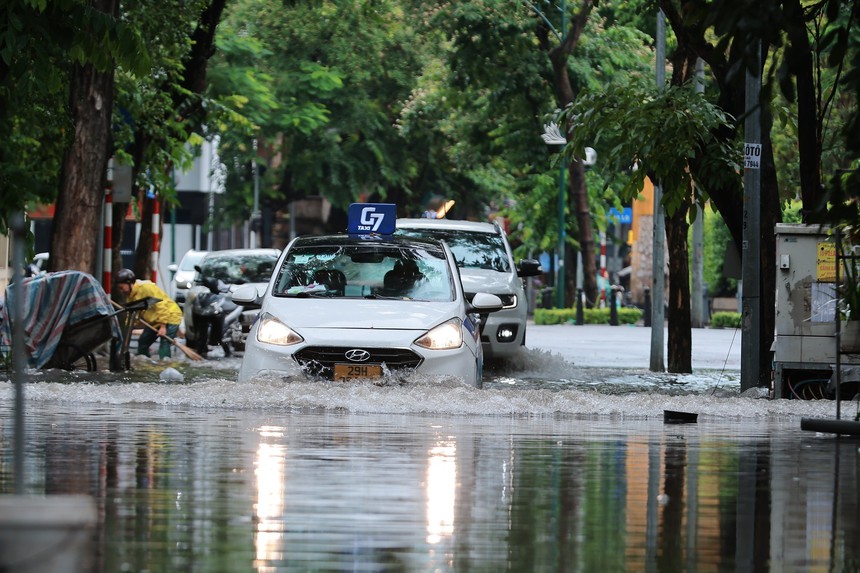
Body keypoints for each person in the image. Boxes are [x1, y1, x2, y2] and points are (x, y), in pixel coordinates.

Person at [116, 268, 183, 360]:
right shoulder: (131, 295)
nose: (121, 291)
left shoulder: (146, 287)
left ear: (129, 283)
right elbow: (133, 312)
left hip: (171, 316)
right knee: (143, 342)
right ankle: (146, 363)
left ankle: (165, 365)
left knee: (164, 343)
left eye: (121, 288)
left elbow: (161, 305)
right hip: (155, 319)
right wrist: (129, 327)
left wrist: (163, 327)